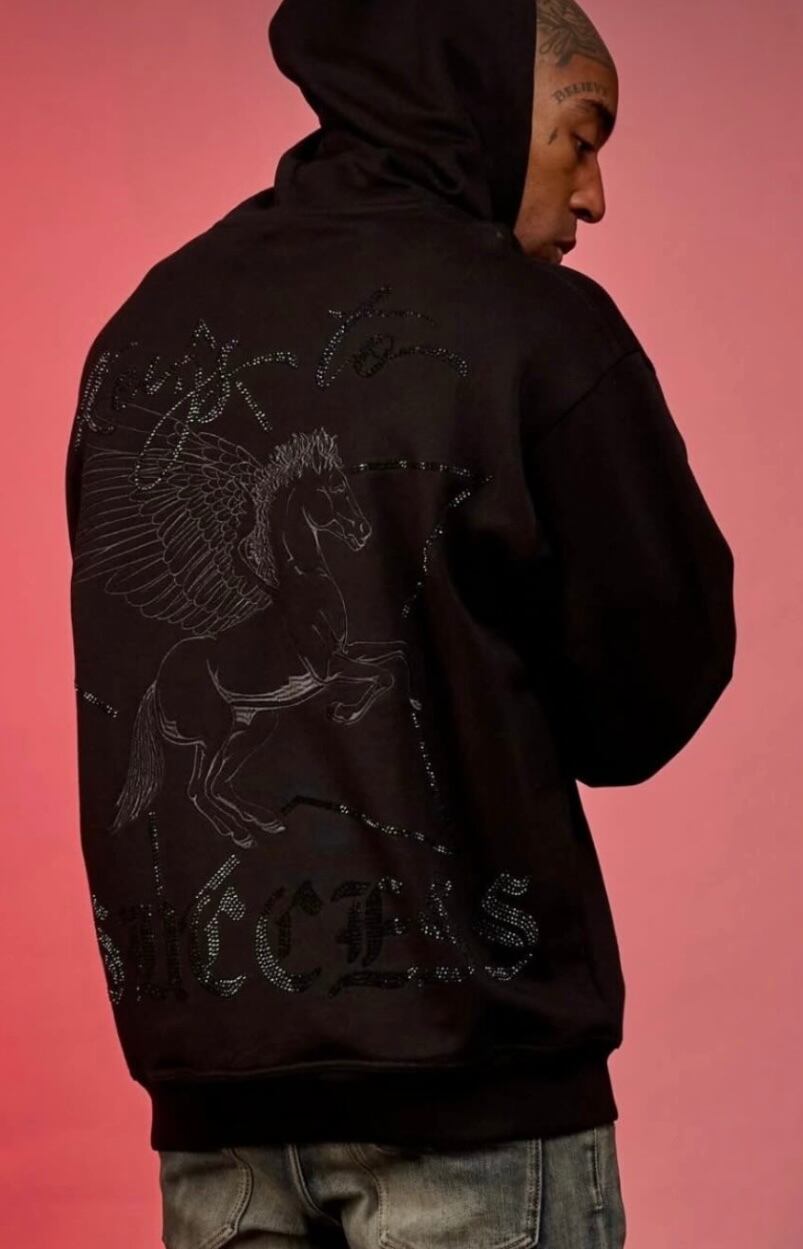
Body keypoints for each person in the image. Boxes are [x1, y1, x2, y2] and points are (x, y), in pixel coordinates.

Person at [63, 1, 736, 1245]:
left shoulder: (141, 328)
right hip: (471, 1105)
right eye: (581, 137)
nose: (592, 196)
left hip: (214, 1113)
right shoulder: (534, 327)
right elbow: (646, 693)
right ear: (479, 95)